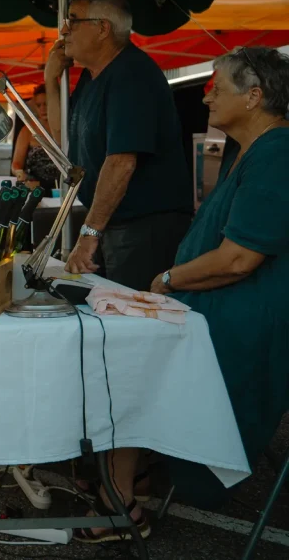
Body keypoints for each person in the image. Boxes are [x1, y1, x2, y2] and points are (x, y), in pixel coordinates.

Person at [145, 48, 289, 509]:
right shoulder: (250, 150)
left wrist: (168, 278)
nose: (206, 98)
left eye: (216, 88)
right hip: (214, 315)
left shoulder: (276, 154)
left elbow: (238, 259)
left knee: (132, 372)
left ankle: (125, 487)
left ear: (254, 96)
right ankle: (127, 478)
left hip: (245, 329)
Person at [45, 0, 193, 291]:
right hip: (112, 225)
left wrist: (89, 235)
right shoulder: (91, 77)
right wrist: (50, 81)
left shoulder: (131, 75)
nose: (63, 30)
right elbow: (64, 140)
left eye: (73, 20)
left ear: (102, 28)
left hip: (143, 227)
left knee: (132, 318)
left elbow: (122, 162)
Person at [11, 84, 60, 190]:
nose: (42, 108)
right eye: (39, 105)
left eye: (46, 104)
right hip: (35, 188)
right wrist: (19, 172)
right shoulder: (28, 130)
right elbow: (16, 163)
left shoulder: (66, 128)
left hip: (62, 187)